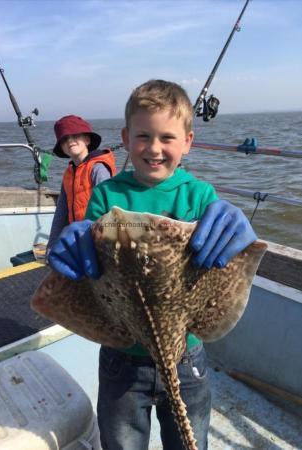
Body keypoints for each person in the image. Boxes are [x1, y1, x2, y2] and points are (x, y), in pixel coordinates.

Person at [48, 80, 257, 450]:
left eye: (167, 137)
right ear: (126, 138)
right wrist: (75, 240)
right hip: (122, 358)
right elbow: (89, 267)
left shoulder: (200, 196)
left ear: (188, 142)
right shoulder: (107, 195)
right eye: (144, 136)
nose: (155, 148)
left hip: (188, 353)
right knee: (122, 442)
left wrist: (244, 242)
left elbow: (227, 255)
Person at [47, 114, 117, 252]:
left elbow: (109, 210)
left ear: (87, 139)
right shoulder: (68, 174)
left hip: (100, 242)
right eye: (64, 139)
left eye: (75, 136)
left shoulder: (98, 168)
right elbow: (61, 213)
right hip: (79, 239)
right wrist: (52, 245)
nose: (70, 141)